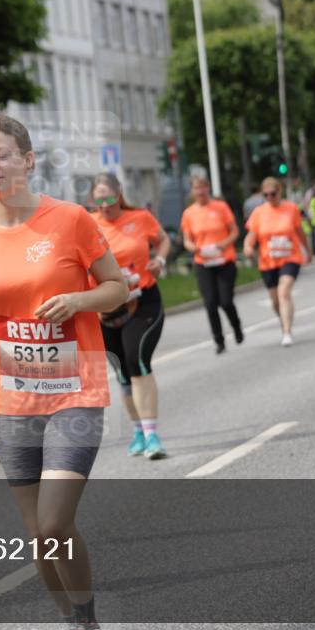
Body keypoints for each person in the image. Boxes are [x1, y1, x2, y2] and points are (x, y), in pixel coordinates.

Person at [0, 115, 127, 630]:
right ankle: (77, 625)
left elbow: (117, 287)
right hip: (11, 396)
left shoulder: (70, 219)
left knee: (54, 522)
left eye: (1, 155)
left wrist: (78, 299)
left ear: (27, 161)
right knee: (36, 536)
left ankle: (89, 622)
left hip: (76, 387)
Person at [89, 172, 170, 459]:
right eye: (98, 201)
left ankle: (152, 435)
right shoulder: (87, 225)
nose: (105, 206)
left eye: (110, 199)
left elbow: (162, 240)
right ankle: (138, 430)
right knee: (122, 372)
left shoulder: (140, 217)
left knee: (138, 360)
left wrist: (159, 259)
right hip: (106, 310)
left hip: (143, 301)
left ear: (119, 194)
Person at [243, 176, 313, 347]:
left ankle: (287, 331)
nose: (269, 198)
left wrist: (308, 251)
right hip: (268, 261)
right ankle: (284, 321)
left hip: (290, 257)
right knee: (275, 300)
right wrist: (248, 248)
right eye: (265, 195)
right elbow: (251, 236)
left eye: (272, 194)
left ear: (279, 192)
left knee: (284, 292)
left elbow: (299, 232)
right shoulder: (259, 213)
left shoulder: (291, 209)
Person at [181, 178, 244, 354]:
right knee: (210, 303)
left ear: (208, 189)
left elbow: (234, 231)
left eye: (203, 188)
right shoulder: (189, 213)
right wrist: (194, 248)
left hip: (224, 259)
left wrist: (224, 244)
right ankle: (219, 340)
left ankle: (236, 326)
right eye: (196, 189)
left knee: (225, 301)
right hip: (203, 262)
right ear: (193, 191)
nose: (200, 192)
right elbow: (187, 240)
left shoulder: (220, 207)